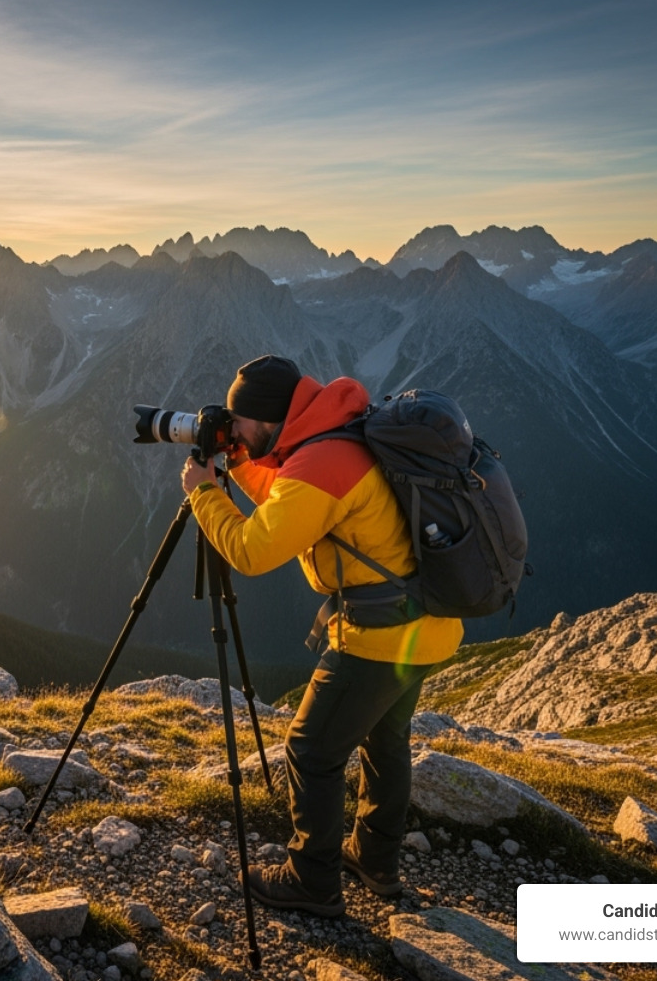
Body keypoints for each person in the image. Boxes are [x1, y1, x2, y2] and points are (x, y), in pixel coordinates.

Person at [180, 354, 463, 917]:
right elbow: (293, 504)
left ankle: (312, 880)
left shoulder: (320, 461)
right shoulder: (335, 434)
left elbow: (252, 550)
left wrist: (202, 493)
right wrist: (235, 466)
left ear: (268, 418)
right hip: (426, 622)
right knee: (384, 743)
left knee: (310, 750)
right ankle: (374, 861)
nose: (233, 430)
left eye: (239, 423)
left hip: (377, 636)